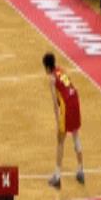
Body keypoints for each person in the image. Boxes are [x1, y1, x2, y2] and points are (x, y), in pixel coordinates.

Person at [42, 53, 84, 189]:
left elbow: (55, 103)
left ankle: (57, 177)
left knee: (60, 140)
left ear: (47, 67)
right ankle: (80, 170)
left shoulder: (52, 78)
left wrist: (57, 120)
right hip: (75, 100)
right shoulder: (61, 70)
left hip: (67, 106)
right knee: (76, 135)